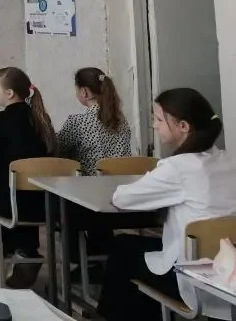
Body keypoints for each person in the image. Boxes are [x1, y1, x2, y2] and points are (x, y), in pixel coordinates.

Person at [98, 88, 236, 321]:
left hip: (194, 278)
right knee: (141, 250)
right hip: (228, 273)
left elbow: (122, 198)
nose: (154, 125)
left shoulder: (177, 167)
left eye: (159, 119)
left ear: (183, 126)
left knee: (123, 249)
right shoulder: (229, 159)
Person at [0, 66, 56, 288]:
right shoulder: (41, 118)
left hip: (10, 201)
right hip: (43, 202)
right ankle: (26, 250)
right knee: (20, 195)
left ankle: (13, 250)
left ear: (9, 93)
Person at [58, 67, 132, 175]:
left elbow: (57, 150)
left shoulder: (77, 123)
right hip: (120, 183)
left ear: (84, 92)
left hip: (89, 184)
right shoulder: (121, 121)